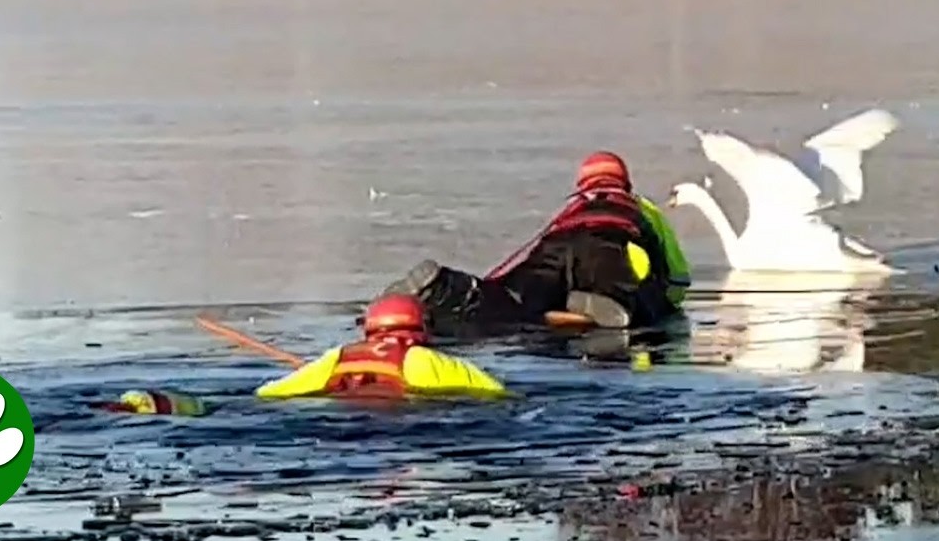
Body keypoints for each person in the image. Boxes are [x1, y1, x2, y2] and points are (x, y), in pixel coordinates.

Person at [382, 151, 691, 335]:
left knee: (512, 299)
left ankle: (448, 287)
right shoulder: (642, 208)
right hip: (609, 247)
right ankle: (598, 301)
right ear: (625, 182)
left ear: (582, 184)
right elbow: (678, 279)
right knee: (632, 304)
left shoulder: (573, 208)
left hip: (556, 245)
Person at [254, 293, 509, 400]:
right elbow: (500, 396)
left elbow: (267, 395)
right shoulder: (428, 361)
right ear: (421, 326)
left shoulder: (337, 359)